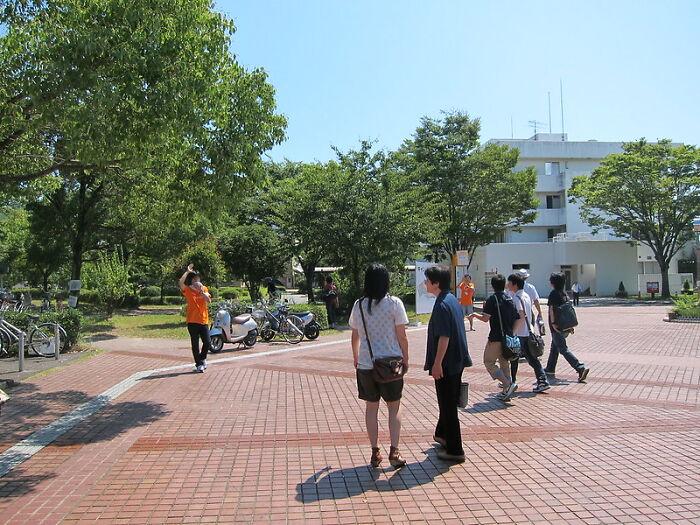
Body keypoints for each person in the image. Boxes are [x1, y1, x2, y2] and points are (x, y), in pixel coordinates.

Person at [349, 264, 409, 468]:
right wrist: (406, 358)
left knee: (371, 408)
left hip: (366, 364)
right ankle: (395, 451)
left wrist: (356, 357)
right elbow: (402, 335)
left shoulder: (359, 305)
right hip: (391, 365)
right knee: (394, 407)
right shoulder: (394, 303)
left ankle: (375, 452)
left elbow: (355, 335)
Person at [423, 265, 472, 463]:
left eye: (427, 280)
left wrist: (437, 363)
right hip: (456, 361)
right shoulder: (451, 299)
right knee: (448, 402)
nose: (425, 283)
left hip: (447, 363)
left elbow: (444, 337)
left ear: (436, 283)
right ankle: (442, 435)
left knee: (448, 405)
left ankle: (455, 450)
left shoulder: (442, 304)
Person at [469, 274, 519, 401]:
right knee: (504, 362)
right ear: (504, 285)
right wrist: (512, 332)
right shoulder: (509, 298)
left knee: (489, 362)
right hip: (508, 337)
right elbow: (517, 318)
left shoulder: (492, 299)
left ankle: (507, 384)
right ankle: (506, 391)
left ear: (492, 286)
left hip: (496, 337)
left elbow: (486, 318)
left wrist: (475, 315)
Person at [507, 273, 550, 393]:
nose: (508, 284)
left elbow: (520, 316)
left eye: (509, 282)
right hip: (528, 331)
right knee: (532, 358)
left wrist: (513, 332)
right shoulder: (526, 295)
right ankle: (543, 380)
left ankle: (512, 382)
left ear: (514, 285)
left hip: (520, 333)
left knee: (514, 358)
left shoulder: (516, 298)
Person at [544, 272, 590, 382]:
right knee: (554, 348)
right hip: (565, 325)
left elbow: (551, 310)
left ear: (553, 282)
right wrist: (570, 325)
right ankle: (550, 369)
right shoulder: (564, 294)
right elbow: (568, 310)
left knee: (563, 349)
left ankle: (580, 367)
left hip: (557, 326)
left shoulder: (554, 294)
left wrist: (554, 323)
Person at [178, 264, 212, 373]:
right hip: (192, 321)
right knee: (195, 344)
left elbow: (208, 300)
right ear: (192, 280)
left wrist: (201, 291)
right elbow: (180, 283)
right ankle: (199, 364)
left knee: (207, 342)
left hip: (203, 320)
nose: (198, 280)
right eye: (196, 278)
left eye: (199, 278)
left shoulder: (204, 288)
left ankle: (202, 358)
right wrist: (187, 272)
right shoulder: (187, 290)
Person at [514, 269, 545, 335]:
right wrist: (539, 312)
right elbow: (536, 301)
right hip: (529, 310)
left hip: (517, 310)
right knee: (530, 329)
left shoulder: (514, 287)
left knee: (517, 330)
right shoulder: (530, 287)